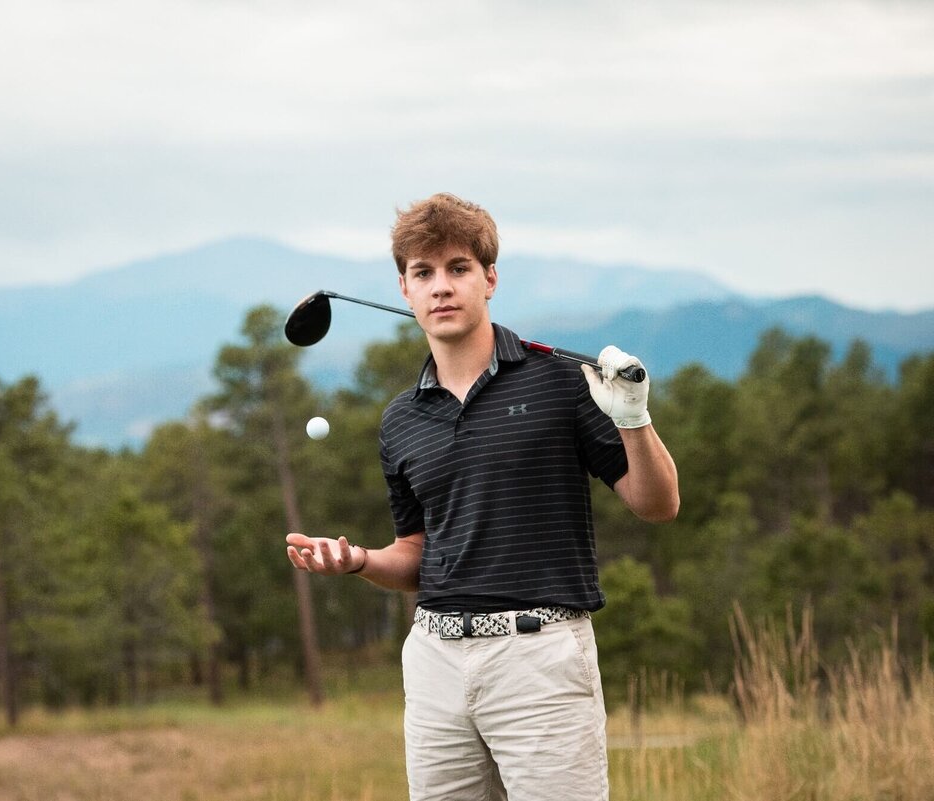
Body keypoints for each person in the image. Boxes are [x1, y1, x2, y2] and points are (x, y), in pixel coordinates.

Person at [285, 192, 679, 801]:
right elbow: (417, 552)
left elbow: (658, 505)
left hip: (540, 660)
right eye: (424, 273)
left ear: (489, 278)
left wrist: (634, 420)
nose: (441, 287)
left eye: (458, 268)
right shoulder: (401, 421)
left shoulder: (561, 384)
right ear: (405, 289)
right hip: (435, 661)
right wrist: (359, 560)